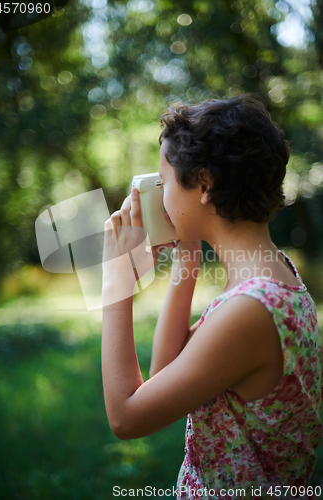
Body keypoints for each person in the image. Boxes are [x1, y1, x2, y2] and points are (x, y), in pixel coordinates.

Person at [101, 94, 323, 499]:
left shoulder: (251, 309)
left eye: (163, 182)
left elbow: (126, 417)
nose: (160, 197)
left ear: (203, 184)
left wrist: (116, 281)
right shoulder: (272, 274)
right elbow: (166, 369)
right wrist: (187, 252)